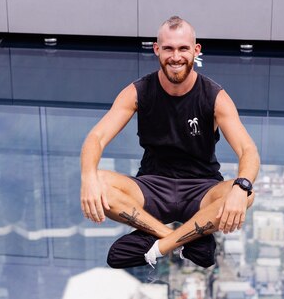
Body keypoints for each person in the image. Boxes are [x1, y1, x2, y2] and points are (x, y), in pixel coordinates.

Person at [79, 16, 260, 269]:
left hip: (201, 190)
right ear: (157, 50)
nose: (176, 56)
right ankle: (182, 239)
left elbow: (247, 149)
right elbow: (96, 138)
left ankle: (159, 246)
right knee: (98, 181)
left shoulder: (214, 96)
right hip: (151, 189)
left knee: (246, 194)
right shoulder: (138, 91)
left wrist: (241, 188)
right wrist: (88, 178)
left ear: (196, 50)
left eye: (183, 48)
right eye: (168, 48)